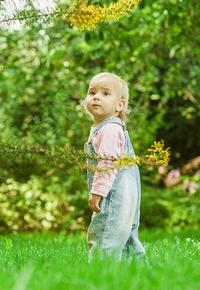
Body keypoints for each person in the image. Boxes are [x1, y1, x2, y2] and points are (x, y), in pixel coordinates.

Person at [82, 72, 146, 262]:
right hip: (128, 199)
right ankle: (141, 278)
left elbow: (107, 163)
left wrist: (97, 192)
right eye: (92, 91)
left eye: (105, 93)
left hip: (114, 197)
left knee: (104, 238)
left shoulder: (109, 130)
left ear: (120, 105)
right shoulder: (110, 128)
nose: (96, 96)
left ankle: (100, 277)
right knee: (127, 240)